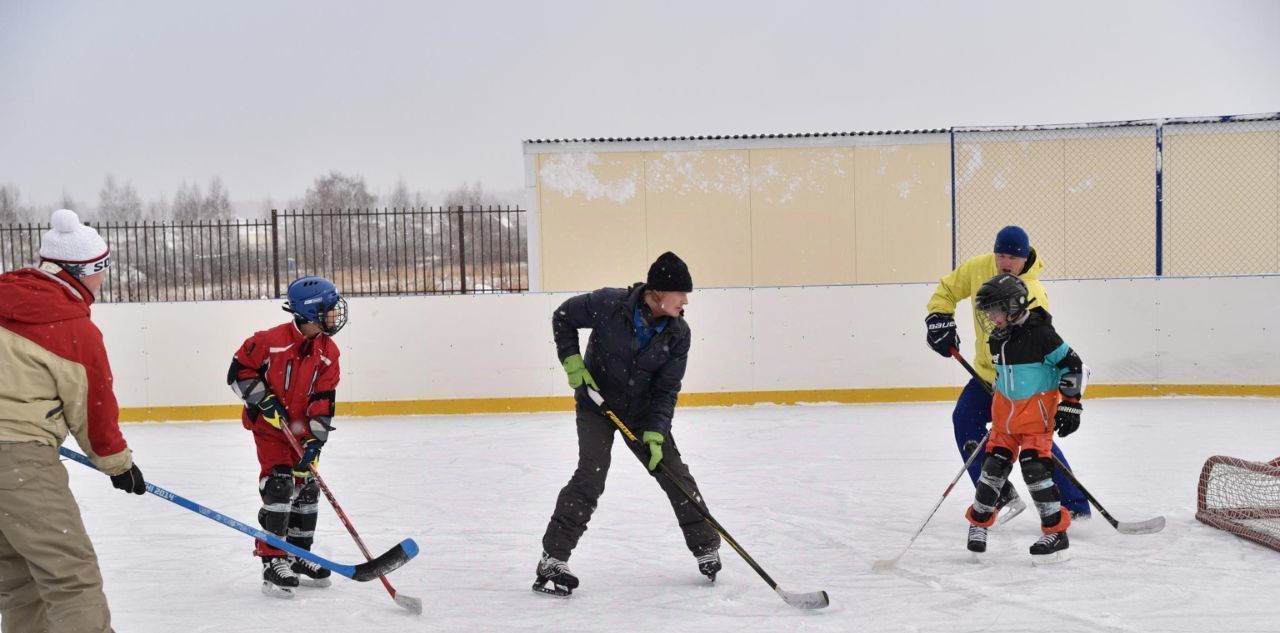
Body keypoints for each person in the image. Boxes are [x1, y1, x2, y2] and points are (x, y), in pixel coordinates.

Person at [534, 251, 720, 597]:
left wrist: (655, 431)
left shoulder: (678, 333)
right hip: (596, 404)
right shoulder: (609, 304)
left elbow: (667, 389)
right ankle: (552, 558)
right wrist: (571, 359)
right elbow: (563, 316)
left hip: (642, 412)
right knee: (590, 475)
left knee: (674, 473)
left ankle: (706, 545)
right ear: (657, 292)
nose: (685, 301)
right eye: (680, 293)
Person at [0, 208, 146, 633]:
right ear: (78, 271)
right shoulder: (72, 326)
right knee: (71, 578)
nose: (102, 279)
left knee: (19, 580)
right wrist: (117, 464)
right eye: (101, 269)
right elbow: (94, 410)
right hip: (20, 464)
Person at [925, 225, 1090, 520]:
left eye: (1012, 258)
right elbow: (948, 289)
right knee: (965, 418)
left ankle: (1074, 507)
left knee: (1034, 444)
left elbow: (1052, 352)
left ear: (1024, 258)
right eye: (1000, 255)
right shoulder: (979, 268)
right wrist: (939, 318)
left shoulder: (1033, 294)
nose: (1005, 263)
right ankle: (997, 495)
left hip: (1027, 384)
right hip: (988, 375)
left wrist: (1068, 400)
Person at [227, 276, 346, 598]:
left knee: (306, 488)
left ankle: (297, 555)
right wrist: (263, 399)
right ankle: (273, 559)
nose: (336, 315)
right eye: (330, 310)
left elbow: (323, 399)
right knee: (280, 486)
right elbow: (238, 372)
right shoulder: (268, 341)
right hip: (270, 430)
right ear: (311, 312)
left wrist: (315, 440)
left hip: (300, 432)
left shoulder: (328, 352)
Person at [963, 274, 1085, 563]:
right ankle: (978, 524)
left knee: (1035, 469)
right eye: (988, 311)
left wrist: (1071, 405)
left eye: (995, 310)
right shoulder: (997, 339)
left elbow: (1073, 364)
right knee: (992, 470)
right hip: (1005, 425)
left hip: (1036, 423)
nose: (991, 317)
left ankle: (1056, 532)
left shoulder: (1041, 335)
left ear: (1014, 305)